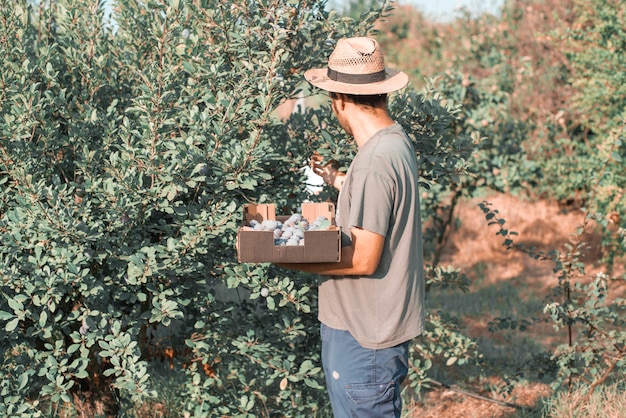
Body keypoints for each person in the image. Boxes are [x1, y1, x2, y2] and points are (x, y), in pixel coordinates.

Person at [278, 37, 425, 418]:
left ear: (339, 100)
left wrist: (285, 257)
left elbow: (362, 260)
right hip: (377, 331)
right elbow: (379, 199)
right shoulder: (394, 143)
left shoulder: (374, 161)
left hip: (363, 339)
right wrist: (339, 178)